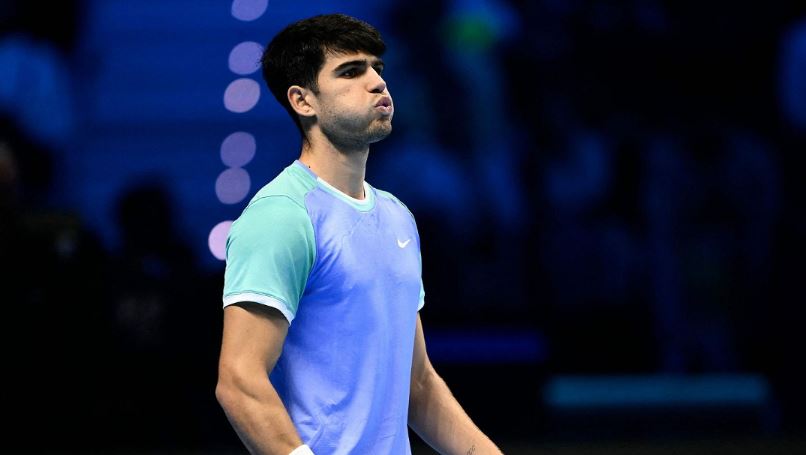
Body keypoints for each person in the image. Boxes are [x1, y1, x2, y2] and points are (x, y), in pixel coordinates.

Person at [215, 13, 502, 455]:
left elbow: (419, 386)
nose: (376, 83)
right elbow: (239, 381)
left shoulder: (396, 216)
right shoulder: (281, 215)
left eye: (377, 69)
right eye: (351, 72)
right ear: (303, 101)